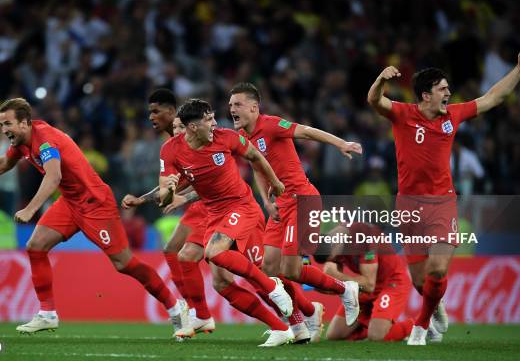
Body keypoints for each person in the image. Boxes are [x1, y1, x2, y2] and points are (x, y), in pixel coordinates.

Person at [0, 98, 190, 337]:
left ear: (25, 123)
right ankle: (47, 314)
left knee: (124, 263)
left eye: (8, 124)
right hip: (70, 202)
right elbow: (4, 163)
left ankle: (174, 305)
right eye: (1, 125)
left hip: (95, 203)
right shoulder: (22, 141)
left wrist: (31, 208)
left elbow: (53, 177)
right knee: (35, 246)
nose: (4, 130)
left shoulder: (45, 140)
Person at [366, 48, 520, 345]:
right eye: (442, 89)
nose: (449, 93)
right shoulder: (403, 114)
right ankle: (436, 305)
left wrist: (519, 70)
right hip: (408, 205)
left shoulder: (453, 115)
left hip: (443, 202)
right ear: (425, 95)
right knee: (421, 280)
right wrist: (381, 80)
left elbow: (493, 98)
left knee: (438, 268)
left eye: (448, 88)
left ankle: (420, 326)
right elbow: (373, 100)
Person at [229, 82, 362, 338]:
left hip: (303, 200)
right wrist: (266, 203)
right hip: (280, 205)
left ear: (254, 108)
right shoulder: (246, 137)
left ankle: (346, 289)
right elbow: (257, 169)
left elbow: (308, 132)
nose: (231, 109)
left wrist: (340, 143)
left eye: (237, 104)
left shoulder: (270, 124)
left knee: (291, 270)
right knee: (268, 268)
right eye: (230, 105)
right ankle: (300, 321)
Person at [159, 98, 294, 347]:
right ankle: (280, 328)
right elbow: (165, 187)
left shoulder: (227, 138)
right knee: (221, 283)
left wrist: (275, 182)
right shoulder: (170, 150)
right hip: (213, 213)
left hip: (242, 206)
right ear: (193, 127)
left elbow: (255, 156)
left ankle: (275, 290)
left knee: (216, 253)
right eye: (208, 120)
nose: (214, 123)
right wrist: (167, 192)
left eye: (213, 117)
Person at [121, 89, 213, 333]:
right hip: (200, 203)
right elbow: (173, 183)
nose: (150, 116)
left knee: (230, 272)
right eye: (149, 111)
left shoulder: (189, 132)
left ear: (172, 113)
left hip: (217, 201)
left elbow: (206, 175)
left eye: (155, 111)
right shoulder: (172, 142)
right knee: (172, 250)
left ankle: (301, 311)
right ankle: (195, 310)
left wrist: (182, 197)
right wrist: (141, 200)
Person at [314, 223, 414, 342]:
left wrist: (336, 275)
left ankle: (418, 326)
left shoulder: (363, 239)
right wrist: (319, 285)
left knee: (377, 337)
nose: (332, 261)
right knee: (334, 335)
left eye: (331, 258)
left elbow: (369, 285)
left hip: (392, 282)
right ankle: (371, 328)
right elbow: (338, 285)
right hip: (364, 286)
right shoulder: (333, 244)